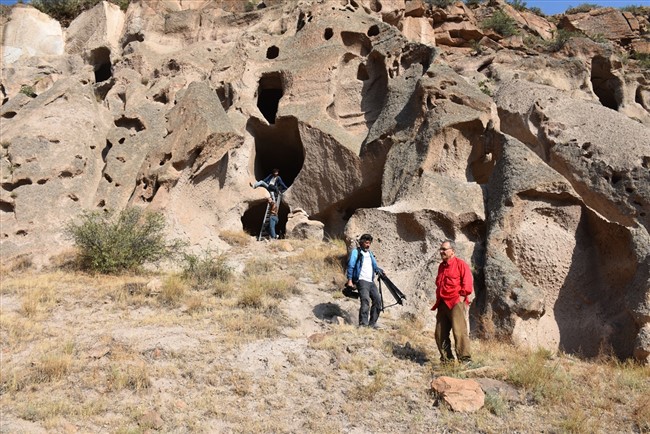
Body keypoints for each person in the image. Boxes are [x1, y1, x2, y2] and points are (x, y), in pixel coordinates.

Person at [431, 239, 473, 364]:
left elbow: (468, 283)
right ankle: (447, 360)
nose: (441, 251)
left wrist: (461, 297)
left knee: (459, 332)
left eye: (444, 249)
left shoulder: (461, 264)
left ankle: (465, 359)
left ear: (452, 251)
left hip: (456, 302)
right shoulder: (441, 266)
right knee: (439, 333)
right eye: (441, 249)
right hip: (442, 303)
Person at [346, 234, 385, 328]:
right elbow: (351, 266)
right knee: (365, 300)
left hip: (371, 281)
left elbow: (374, 266)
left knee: (378, 300)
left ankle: (372, 324)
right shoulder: (356, 252)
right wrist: (350, 280)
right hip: (361, 280)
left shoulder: (370, 253)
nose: (368, 245)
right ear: (361, 242)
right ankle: (363, 324)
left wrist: (381, 271)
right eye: (366, 243)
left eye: (369, 243)